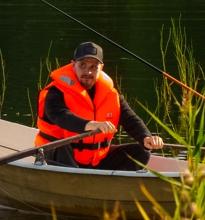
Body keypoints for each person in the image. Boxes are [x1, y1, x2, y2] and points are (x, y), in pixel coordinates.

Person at [34, 41, 163, 170]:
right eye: (82, 65)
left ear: (101, 68)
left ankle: (101, 184)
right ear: (73, 65)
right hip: (60, 156)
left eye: (93, 67)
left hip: (96, 161)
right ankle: (73, 183)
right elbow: (59, 115)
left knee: (142, 151)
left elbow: (130, 120)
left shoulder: (110, 95)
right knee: (60, 145)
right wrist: (91, 124)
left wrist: (146, 137)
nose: (88, 72)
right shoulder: (56, 92)